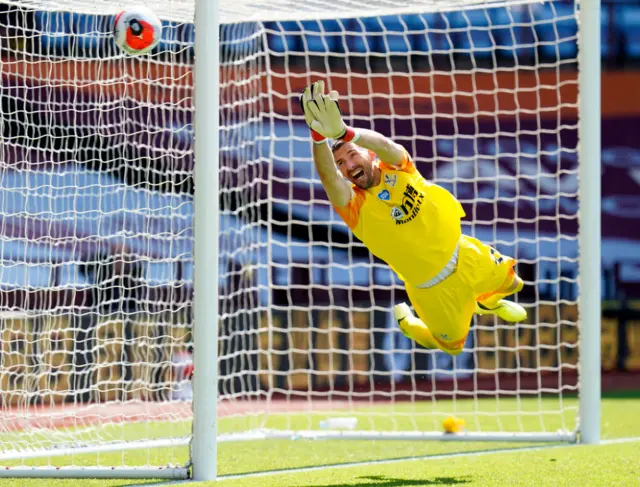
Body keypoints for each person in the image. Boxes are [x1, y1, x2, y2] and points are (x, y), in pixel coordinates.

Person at [300, 81, 526, 356]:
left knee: (515, 284)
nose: (348, 166)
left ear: (369, 155)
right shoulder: (355, 207)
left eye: (352, 155)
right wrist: (318, 137)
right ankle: (409, 324)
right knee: (451, 347)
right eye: (341, 165)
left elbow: (383, 143)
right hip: (432, 290)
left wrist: (344, 132)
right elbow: (327, 177)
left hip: (466, 254)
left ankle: (488, 302)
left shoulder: (398, 166)